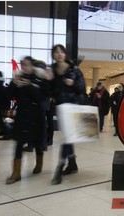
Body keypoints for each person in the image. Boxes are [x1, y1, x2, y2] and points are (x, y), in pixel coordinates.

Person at [6, 56, 49, 184]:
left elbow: (42, 97)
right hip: (22, 118)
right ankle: (16, 172)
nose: (25, 67)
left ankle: (39, 163)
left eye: (28, 65)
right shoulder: (18, 78)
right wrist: (14, 84)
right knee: (18, 143)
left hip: (36, 117)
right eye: (23, 65)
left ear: (33, 66)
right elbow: (9, 96)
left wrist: (29, 85)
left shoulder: (40, 79)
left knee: (36, 143)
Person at [50, 44, 87, 185]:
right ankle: (72, 164)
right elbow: (51, 92)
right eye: (56, 52)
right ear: (53, 55)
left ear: (65, 54)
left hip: (74, 108)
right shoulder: (52, 71)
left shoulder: (74, 70)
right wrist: (48, 81)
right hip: (61, 108)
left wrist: (73, 83)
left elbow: (81, 88)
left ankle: (59, 168)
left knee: (66, 138)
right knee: (68, 137)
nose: (59, 54)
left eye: (61, 52)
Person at [0, 71, 9, 139]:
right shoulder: (2, 85)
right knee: (0, 121)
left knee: (0, 121)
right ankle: (8, 133)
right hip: (1, 106)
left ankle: (8, 133)